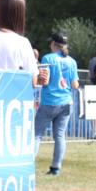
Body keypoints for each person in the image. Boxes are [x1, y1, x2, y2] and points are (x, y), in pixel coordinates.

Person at [35, 32, 80, 176]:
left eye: (50, 43)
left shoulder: (48, 58)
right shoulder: (72, 61)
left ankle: (28, 165)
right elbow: (75, 85)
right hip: (66, 102)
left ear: (54, 44)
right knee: (60, 136)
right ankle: (56, 167)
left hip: (50, 101)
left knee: (36, 135)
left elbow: (45, 81)